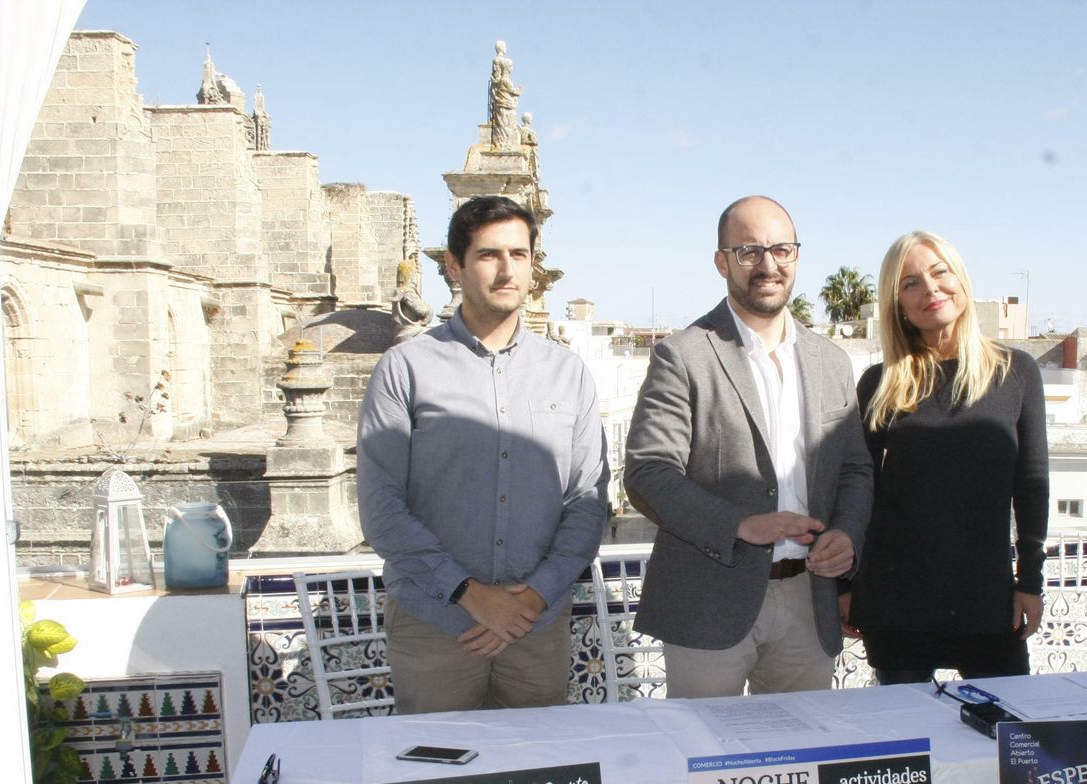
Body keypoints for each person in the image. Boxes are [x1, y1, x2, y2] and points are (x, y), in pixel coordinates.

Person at [357, 195, 608, 712]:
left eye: (519, 255)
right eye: (489, 254)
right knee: (437, 761)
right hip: (437, 625)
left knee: (539, 762)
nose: (507, 270)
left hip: (536, 627)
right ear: (454, 266)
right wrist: (470, 594)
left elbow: (587, 499)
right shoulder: (406, 368)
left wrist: (532, 598)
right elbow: (381, 506)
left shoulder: (567, 373)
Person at [625, 196, 874, 697]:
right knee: (704, 743)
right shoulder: (683, 355)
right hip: (708, 598)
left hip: (808, 599)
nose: (768, 265)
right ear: (722, 262)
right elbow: (648, 473)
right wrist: (740, 525)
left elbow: (855, 468)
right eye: (748, 251)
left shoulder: (831, 361)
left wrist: (846, 533)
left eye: (781, 250)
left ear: (796, 256)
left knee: (802, 742)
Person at [842, 231, 1048, 683]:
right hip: (896, 603)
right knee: (906, 727)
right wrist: (843, 585)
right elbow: (857, 488)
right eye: (910, 283)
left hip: (988, 602)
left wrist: (1030, 582)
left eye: (940, 273)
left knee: (1006, 724)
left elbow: (1032, 485)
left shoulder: (1016, 373)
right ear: (897, 303)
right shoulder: (880, 383)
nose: (930, 289)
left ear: (961, 280)